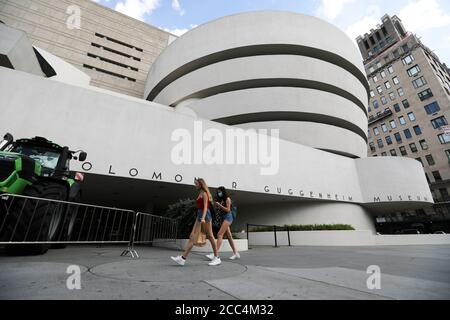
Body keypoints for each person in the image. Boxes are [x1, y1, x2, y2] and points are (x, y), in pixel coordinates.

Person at [171, 178, 221, 266]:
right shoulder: (200, 193)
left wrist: (203, 218)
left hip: (205, 216)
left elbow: (206, 207)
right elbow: (200, 208)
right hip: (199, 216)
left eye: (196, 184)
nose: (195, 185)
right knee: (192, 236)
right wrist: (199, 218)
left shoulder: (205, 194)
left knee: (210, 235)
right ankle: (182, 258)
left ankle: (217, 257)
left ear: (201, 184)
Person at [206, 186, 240, 261]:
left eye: (220, 192)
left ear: (223, 192)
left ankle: (215, 254)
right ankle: (235, 253)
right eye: (218, 192)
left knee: (219, 234)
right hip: (224, 218)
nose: (219, 193)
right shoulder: (221, 200)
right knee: (229, 236)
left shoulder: (227, 199)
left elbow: (228, 210)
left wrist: (220, 205)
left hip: (228, 217)